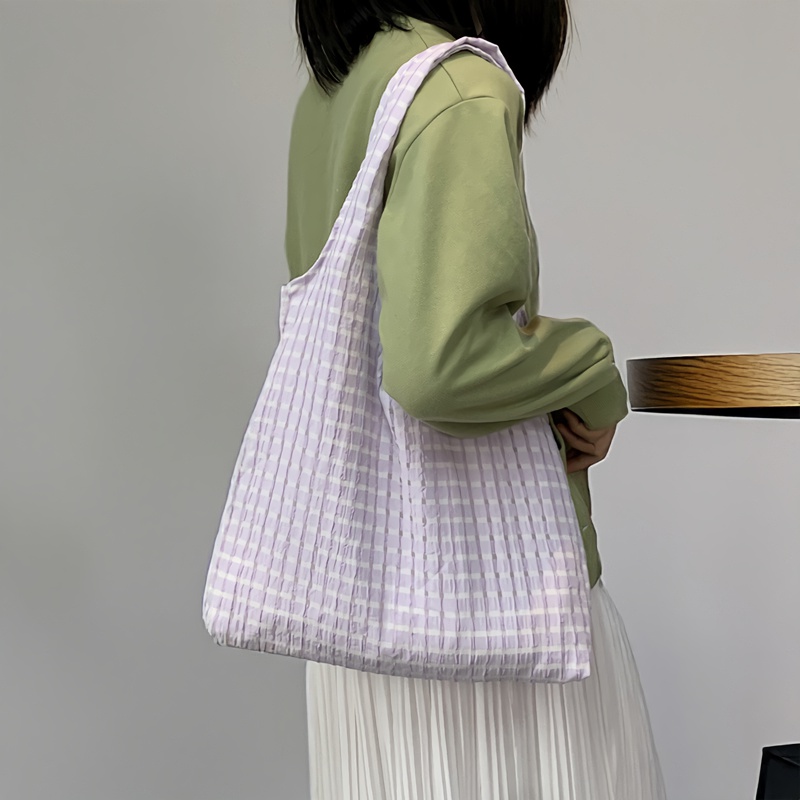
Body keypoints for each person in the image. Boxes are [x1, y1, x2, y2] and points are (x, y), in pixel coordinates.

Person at [285, 2, 668, 798]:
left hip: (358, 603)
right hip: (485, 602)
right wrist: (592, 371)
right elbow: (440, 365)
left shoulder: (335, 86)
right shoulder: (458, 85)